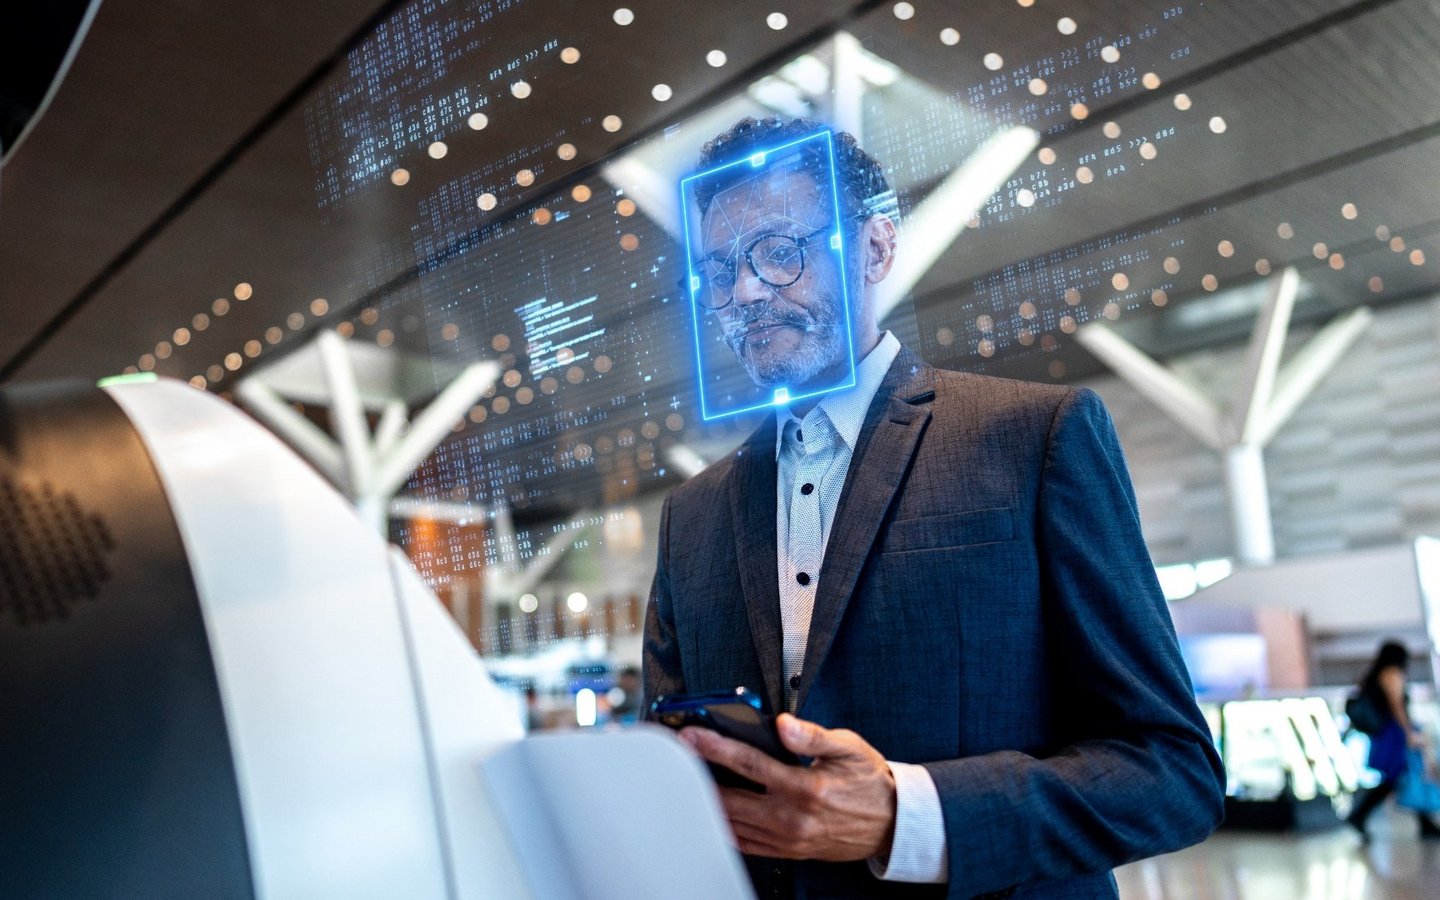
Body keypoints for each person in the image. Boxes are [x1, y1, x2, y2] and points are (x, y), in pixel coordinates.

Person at [643, 116, 1224, 899]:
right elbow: (672, 764)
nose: (746, 292)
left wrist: (906, 817)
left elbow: (1172, 770)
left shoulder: (1033, 437)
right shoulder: (693, 515)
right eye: (719, 272)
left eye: (779, 253)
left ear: (876, 249)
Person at [1346, 640, 1439, 840]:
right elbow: (1397, 706)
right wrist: (1409, 732)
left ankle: (1426, 823)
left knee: (1403, 775)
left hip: (1388, 733)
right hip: (1394, 734)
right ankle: (1359, 814)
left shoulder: (1375, 674)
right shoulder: (1391, 674)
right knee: (1398, 776)